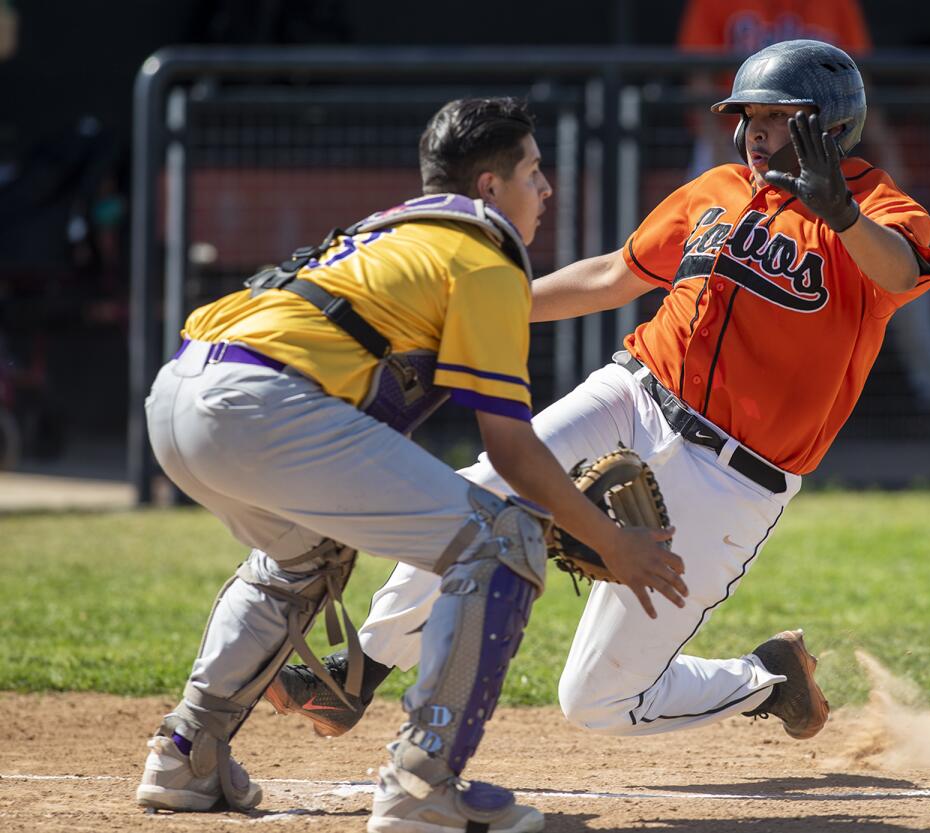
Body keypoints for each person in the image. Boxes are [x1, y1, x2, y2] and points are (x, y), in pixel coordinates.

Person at [268, 40, 930, 751]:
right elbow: (612, 276)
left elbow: (900, 275)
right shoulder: (715, 189)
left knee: (596, 699)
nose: (755, 133)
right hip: (635, 394)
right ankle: (361, 672)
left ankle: (767, 678)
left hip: (732, 475)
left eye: (776, 119)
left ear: (830, 127)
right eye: (748, 117)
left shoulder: (880, 209)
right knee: (484, 488)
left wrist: (840, 214)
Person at [134, 96, 686, 833]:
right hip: (261, 404)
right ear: (490, 187)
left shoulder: (391, 230)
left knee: (305, 553)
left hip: (180, 392)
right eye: (533, 170)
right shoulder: (484, 255)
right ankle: (423, 784)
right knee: (503, 542)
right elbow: (514, 453)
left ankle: (186, 752)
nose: (546, 189)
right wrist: (609, 538)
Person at [678, 0, 930, 415]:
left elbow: (858, 83)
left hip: (818, 165)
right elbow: (699, 80)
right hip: (741, 161)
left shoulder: (835, 5)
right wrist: (721, 160)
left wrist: (881, 152)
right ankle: (684, 382)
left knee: (880, 257)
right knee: (697, 276)